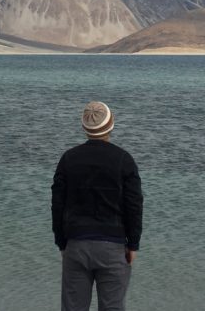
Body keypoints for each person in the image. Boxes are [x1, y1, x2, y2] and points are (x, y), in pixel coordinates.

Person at [51, 101, 144, 311]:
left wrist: (61, 242)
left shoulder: (68, 159)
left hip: (76, 244)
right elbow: (134, 205)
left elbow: (57, 204)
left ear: (85, 127)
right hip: (113, 247)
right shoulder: (124, 160)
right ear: (111, 124)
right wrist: (133, 244)